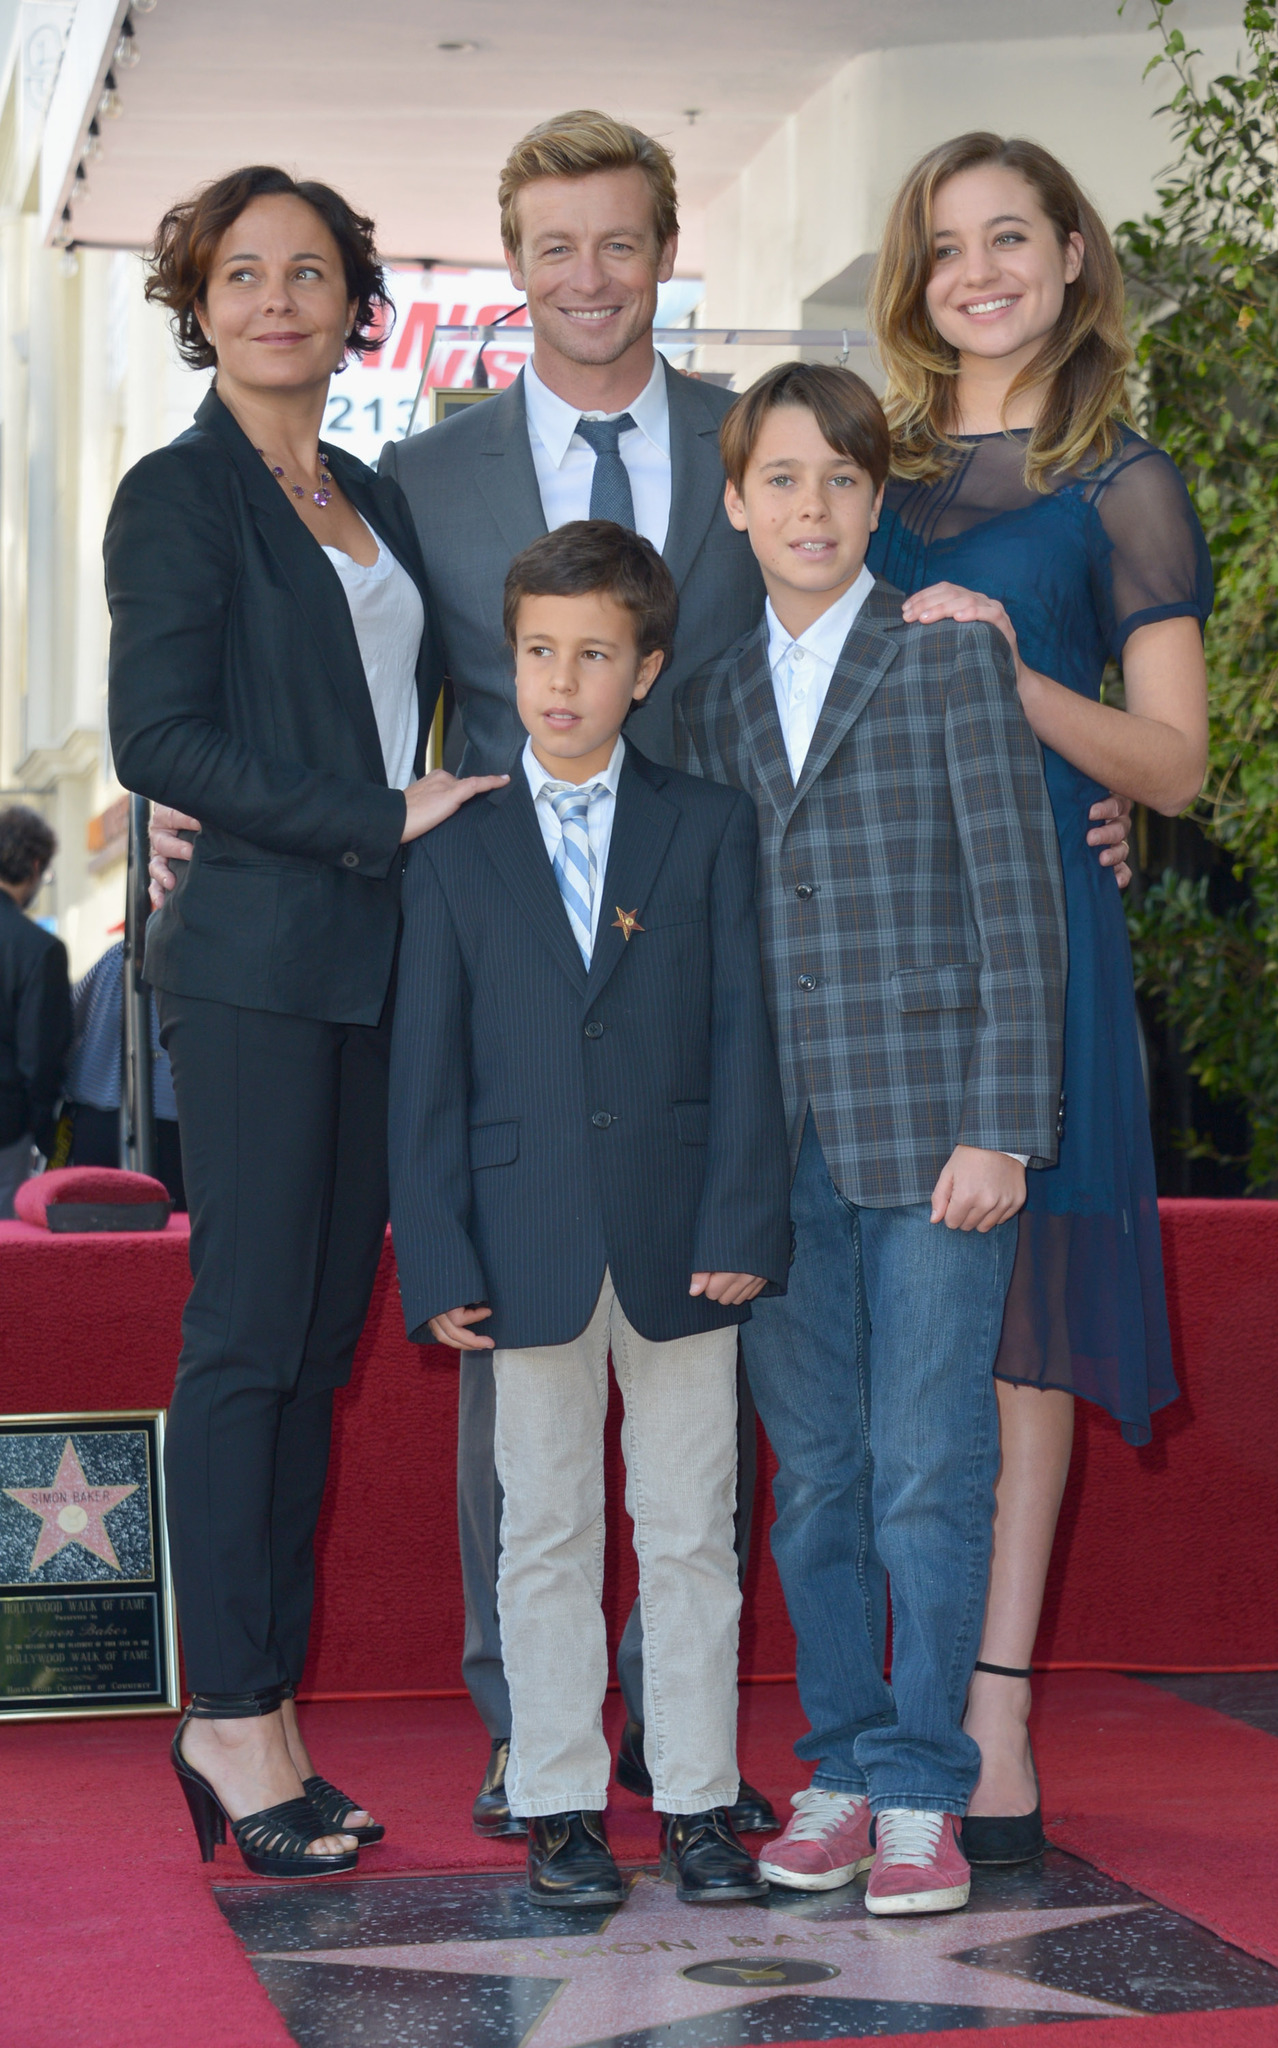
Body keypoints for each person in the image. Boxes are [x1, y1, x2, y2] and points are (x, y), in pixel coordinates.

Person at [152, 111, 777, 1842]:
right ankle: (513, 1730)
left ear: (662, 251)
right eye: (554, 246)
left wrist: (1016, 693)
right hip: (459, 957)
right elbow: (227, 708)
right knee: (468, 1342)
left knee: (673, 1407)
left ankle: (677, 1737)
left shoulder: (747, 443)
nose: (590, 277)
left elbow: (845, 596)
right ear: (509, 268)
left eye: (622, 242)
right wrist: (205, 816)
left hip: (688, 941)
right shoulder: (415, 473)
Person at [105, 164, 504, 1879]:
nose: (277, 297)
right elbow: (159, 743)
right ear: (197, 302)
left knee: (320, 1344)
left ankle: (259, 1714)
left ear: (359, 305)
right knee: (249, 1339)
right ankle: (232, 1714)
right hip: (262, 964)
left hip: (376, 967)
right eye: (242, 272)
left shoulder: (367, 495)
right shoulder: (176, 494)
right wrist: (378, 812)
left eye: (312, 272)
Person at [678, 362, 1067, 1916]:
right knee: (818, 1480)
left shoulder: (943, 659)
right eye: (781, 479)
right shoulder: (699, 700)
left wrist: (1003, 1126)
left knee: (926, 1469)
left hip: (934, 1145)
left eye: (841, 479)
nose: (812, 507)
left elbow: (1016, 906)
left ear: (874, 501)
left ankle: (921, 1788)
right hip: (771, 1161)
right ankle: (837, 1763)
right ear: (736, 503)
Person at [864, 132, 1211, 1862]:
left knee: (1019, 1347)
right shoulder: (866, 472)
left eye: (1012, 235)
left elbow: (1170, 761)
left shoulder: (1123, 482)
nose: (978, 270)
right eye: (945, 247)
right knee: (868, 1327)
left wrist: (1020, 686)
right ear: (911, 278)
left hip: (1040, 943)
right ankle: (881, 1716)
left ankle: (994, 1708)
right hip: (861, 953)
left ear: (1075, 255)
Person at [388, 521, 790, 1908]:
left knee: (692, 1528)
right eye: (539, 651)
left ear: (646, 669)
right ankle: (558, 1798)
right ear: (510, 661)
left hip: (686, 1237)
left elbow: (746, 1034)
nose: (562, 679)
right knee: (543, 1528)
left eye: (595, 654)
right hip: (519, 1243)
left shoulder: (705, 825)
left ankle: (693, 1801)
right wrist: (435, 1247)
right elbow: (423, 1069)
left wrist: (746, 1218)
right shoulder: (453, 849)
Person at [59, 940, 185, 1209]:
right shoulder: (205, 959)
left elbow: (68, 1022)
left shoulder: (120, 956)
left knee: (96, 1223)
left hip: (98, 1113)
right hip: (177, 1119)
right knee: (173, 1228)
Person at [0, 808, 71, 1219]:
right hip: (7, 1130)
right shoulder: (39, 949)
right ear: (35, 865)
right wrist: (43, 1129)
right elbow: (40, 1055)